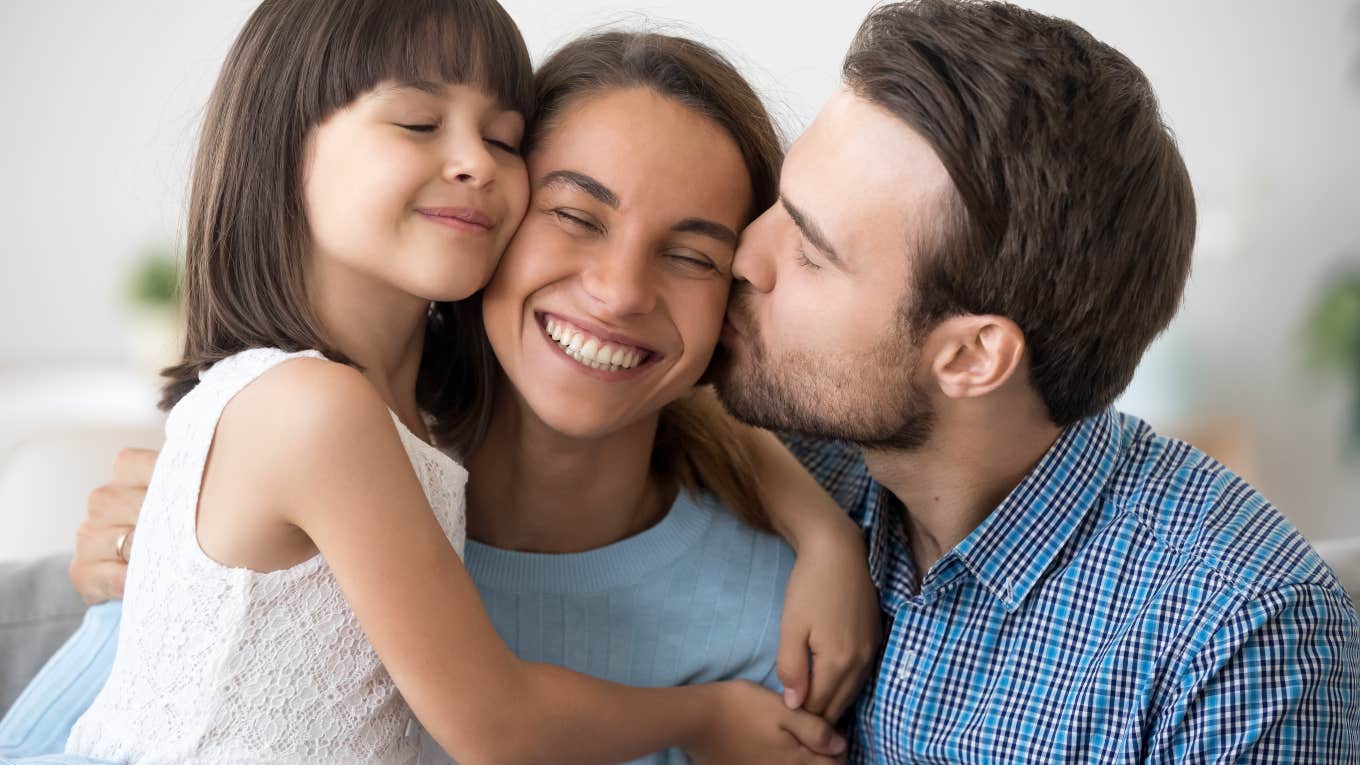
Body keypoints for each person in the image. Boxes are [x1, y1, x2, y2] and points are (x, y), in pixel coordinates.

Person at [0, 2, 879, 763]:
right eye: (572, 215)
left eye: (692, 255)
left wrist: (826, 534)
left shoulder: (781, 623)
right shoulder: (322, 438)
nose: (618, 291)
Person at [704, 0, 1360, 761]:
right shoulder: (806, 456)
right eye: (782, 204)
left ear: (973, 357)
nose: (745, 255)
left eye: (811, 253)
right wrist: (822, 536)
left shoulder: (1238, 640)